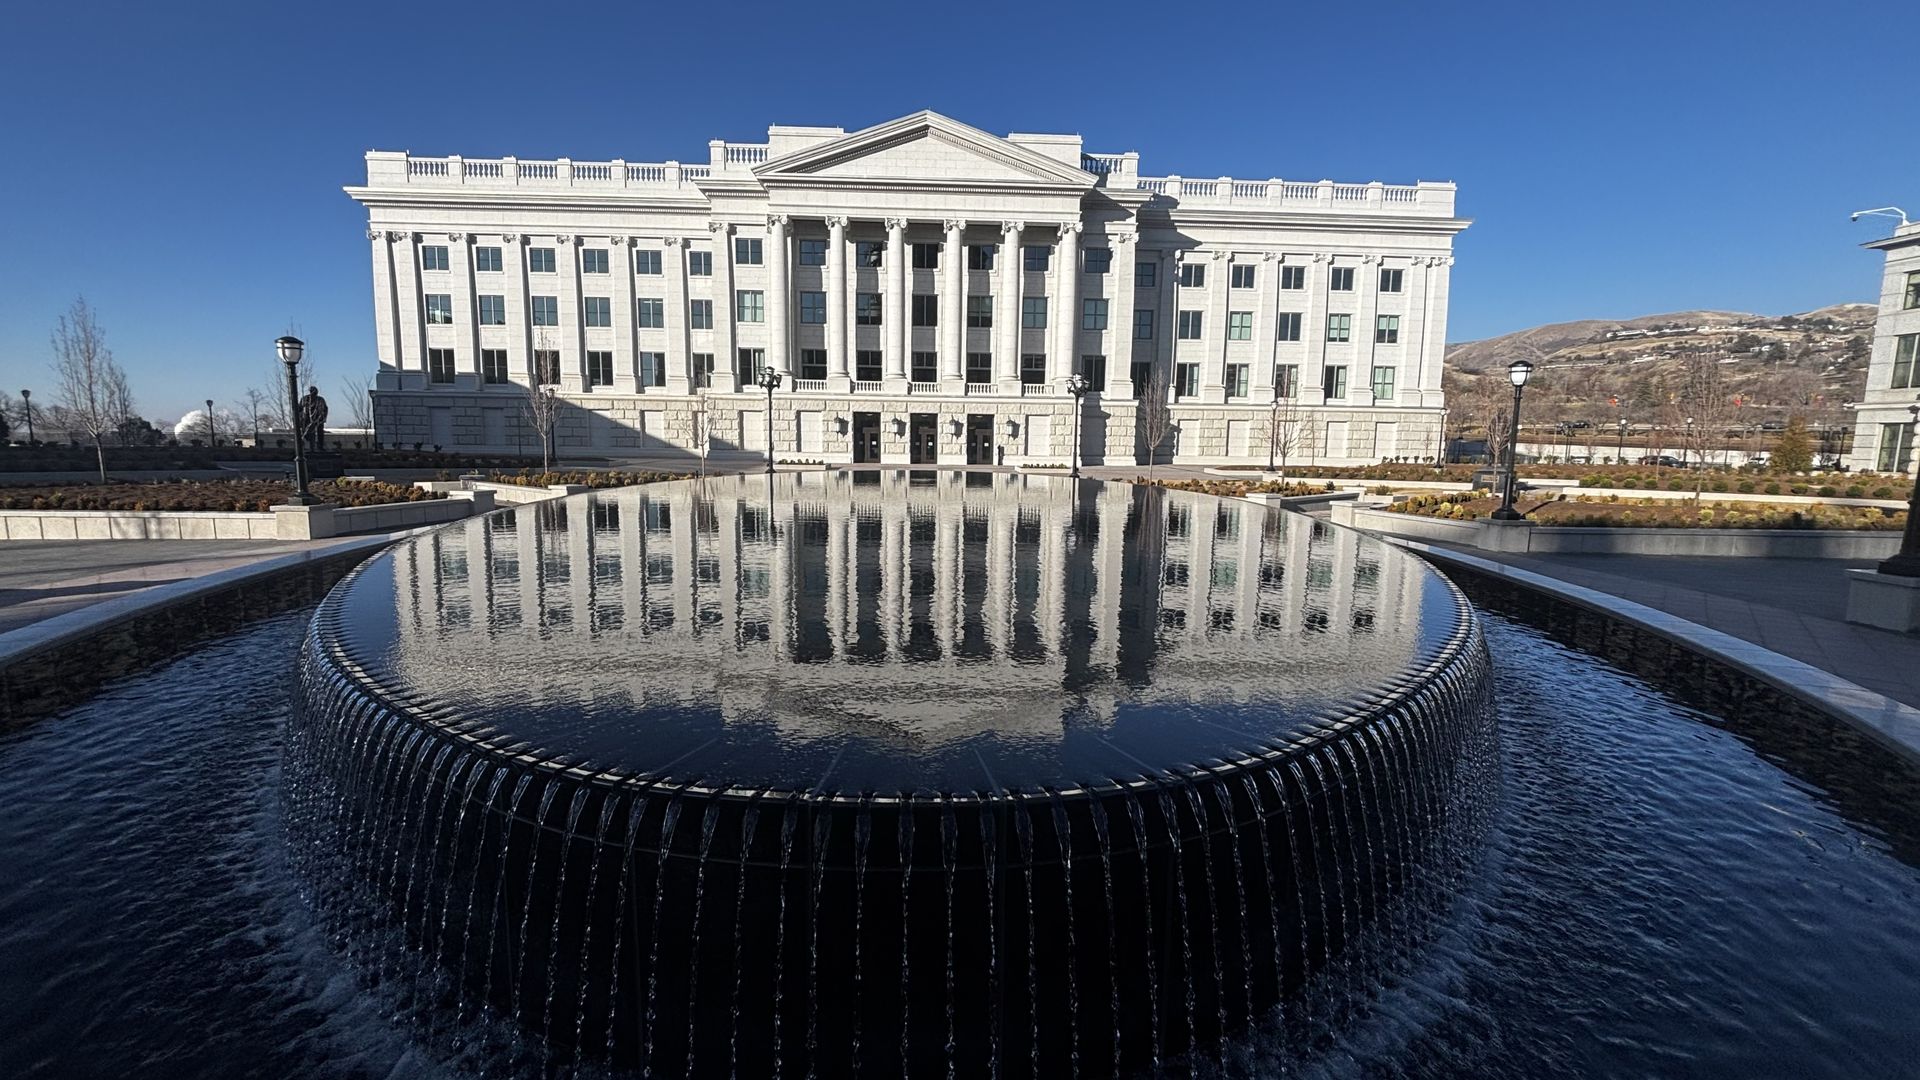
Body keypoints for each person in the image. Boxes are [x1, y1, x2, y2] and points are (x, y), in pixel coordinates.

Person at [299, 386, 329, 452]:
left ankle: (320, 446)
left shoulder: (320, 399)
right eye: (312, 392)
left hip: (318, 419)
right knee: (306, 433)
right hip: (307, 419)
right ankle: (307, 446)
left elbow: (325, 409)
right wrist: (301, 419)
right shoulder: (304, 399)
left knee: (320, 432)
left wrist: (323, 418)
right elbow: (299, 409)